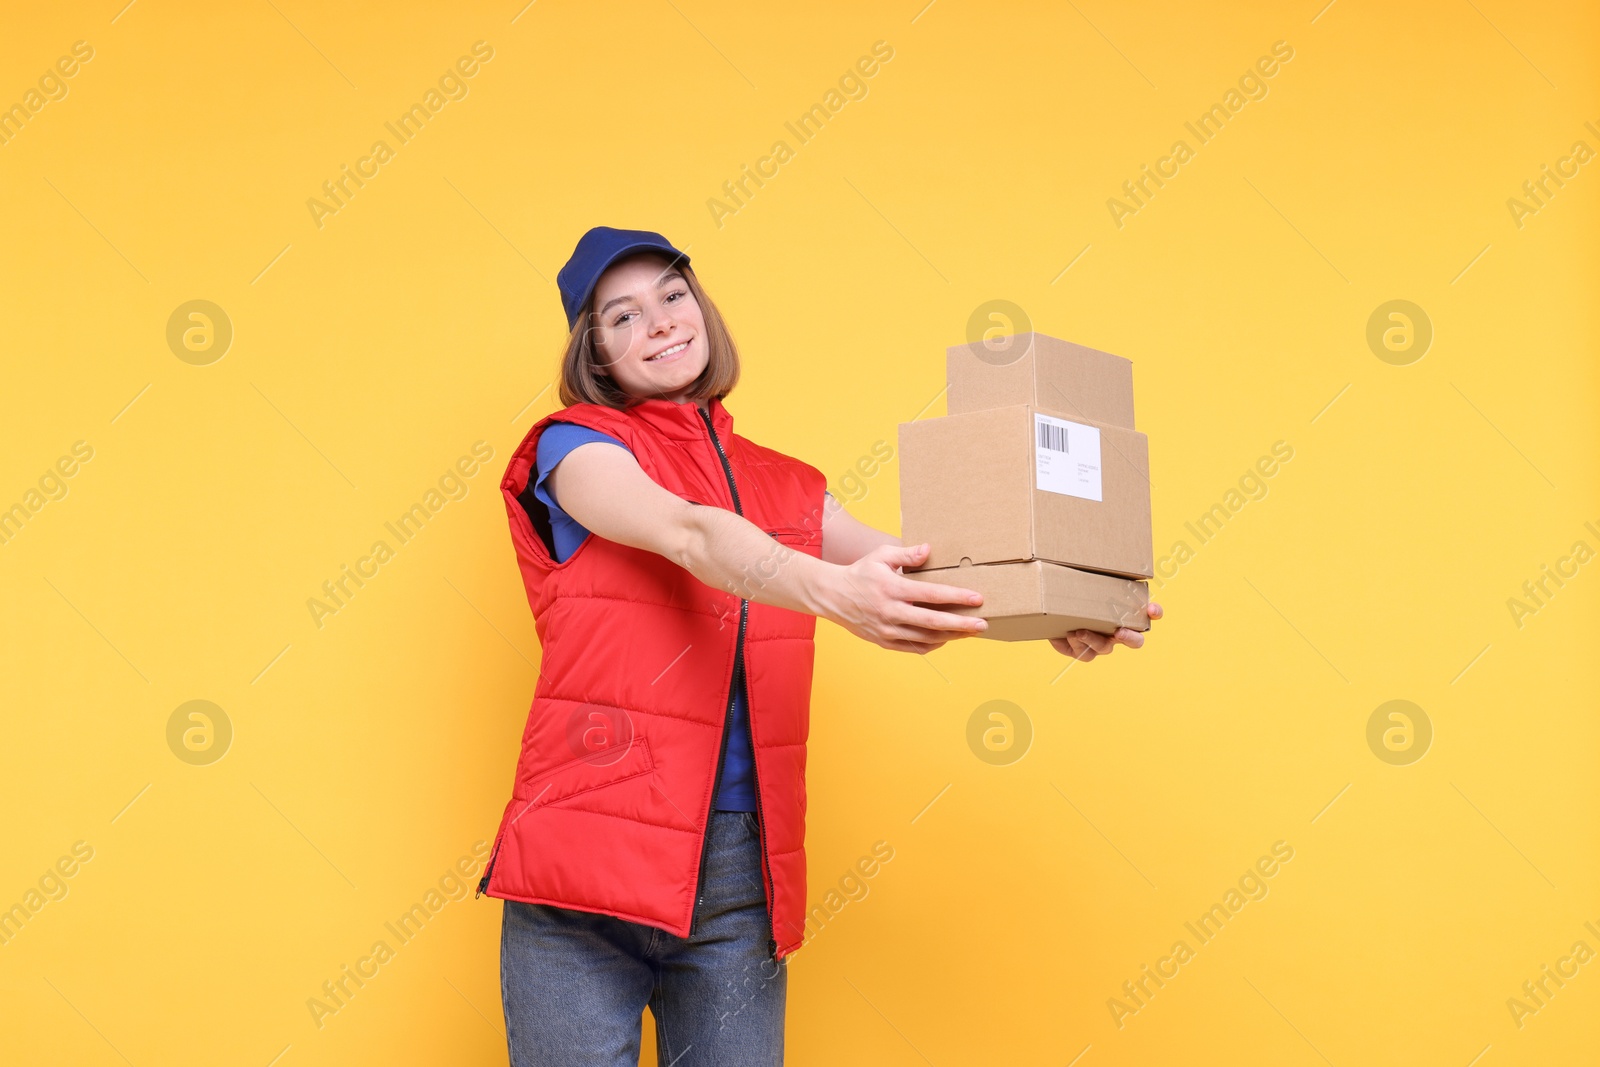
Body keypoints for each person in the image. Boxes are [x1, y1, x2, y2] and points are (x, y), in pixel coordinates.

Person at [478, 226, 1162, 1066]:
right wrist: (833, 591)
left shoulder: (790, 485)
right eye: (622, 316)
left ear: (703, 309)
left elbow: (922, 570)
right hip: (583, 870)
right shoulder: (574, 448)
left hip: (737, 878)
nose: (658, 322)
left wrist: (1060, 608)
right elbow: (690, 532)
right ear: (596, 354)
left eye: (673, 295)